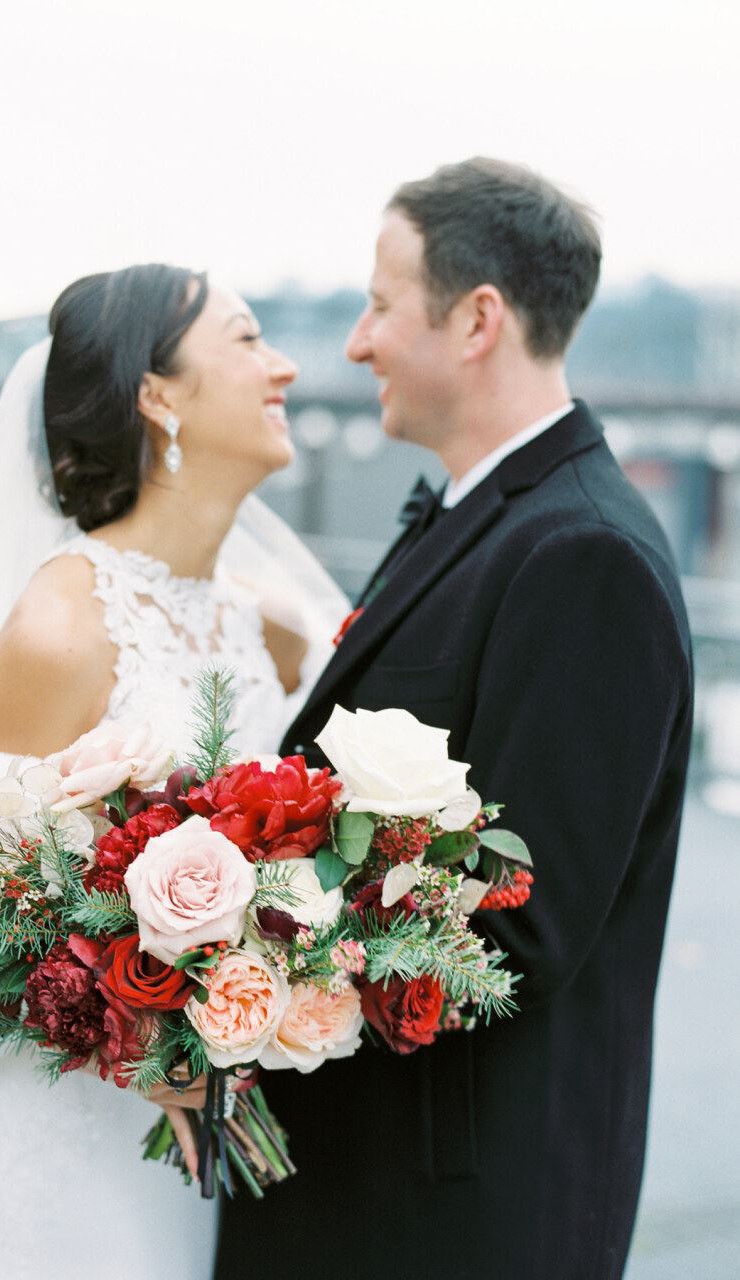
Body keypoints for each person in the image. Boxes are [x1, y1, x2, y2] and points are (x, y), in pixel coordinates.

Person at [216, 159, 694, 1279]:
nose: (356, 341)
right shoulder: (481, 516)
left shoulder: (584, 557)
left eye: (381, 304)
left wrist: (227, 925)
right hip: (372, 1182)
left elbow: (519, 929)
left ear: (478, 319)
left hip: (451, 1214)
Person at [0, 264, 348, 1280]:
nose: (285, 365)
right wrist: (142, 1037)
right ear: (158, 393)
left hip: (236, 1146)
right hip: (85, 1165)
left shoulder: (271, 623)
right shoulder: (59, 630)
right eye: (245, 339)